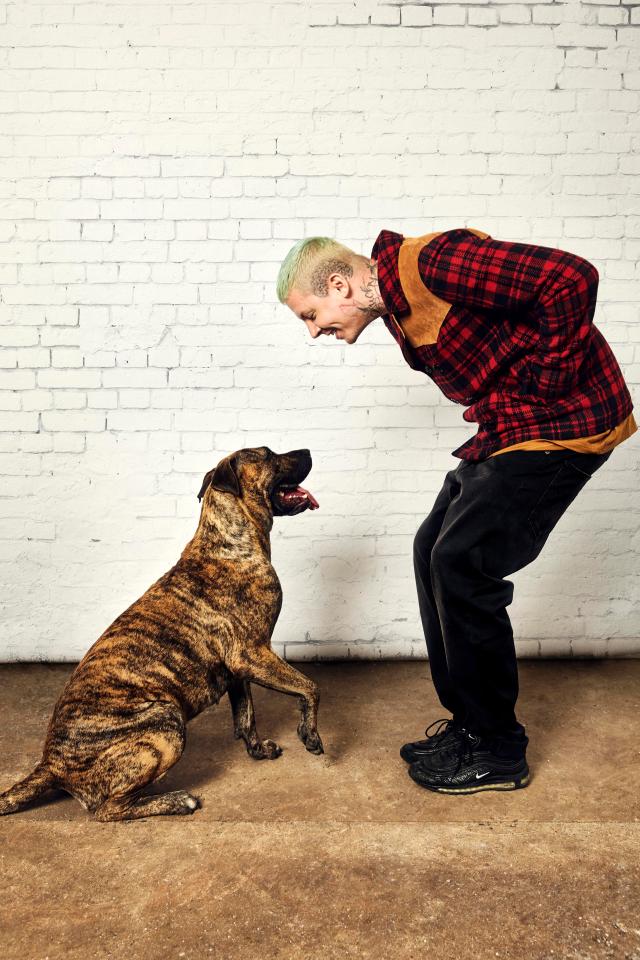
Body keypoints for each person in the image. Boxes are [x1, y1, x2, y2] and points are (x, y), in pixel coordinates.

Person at [276, 228, 637, 794]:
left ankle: (498, 748)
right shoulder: (396, 305)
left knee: (463, 564)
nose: (314, 330)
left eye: (310, 314)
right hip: (513, 429)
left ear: (339, 285)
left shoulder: (433, 263)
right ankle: (471, 725)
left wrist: (550, 382)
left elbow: (571, 277)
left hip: (567, 425)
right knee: (432, 550)